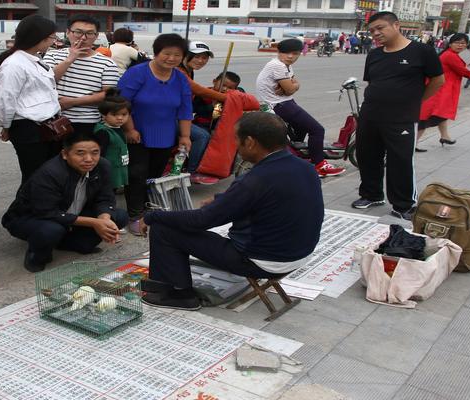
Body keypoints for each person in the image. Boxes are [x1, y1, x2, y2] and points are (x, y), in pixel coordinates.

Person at [136, 112, 324, 310]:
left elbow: (201, 220)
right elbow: (270, 198)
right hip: (300, 254)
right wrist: (220, 199)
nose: (235, 144)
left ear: (250, 142)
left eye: (236, 139)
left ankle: (179, 295)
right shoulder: (305, 167)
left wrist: (152, 215)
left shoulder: (255, 180)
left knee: (163, 228)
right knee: (179, 222)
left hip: (262, 261)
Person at [351, 12, 444, 221]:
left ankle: (404, 204)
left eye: (380, 28)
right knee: (367, 157)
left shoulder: (422, 51)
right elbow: (372, 83)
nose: (376, 33)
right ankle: (371, 195)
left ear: (396, 25)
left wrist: (415, 100)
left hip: (401, 118)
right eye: (372, 30)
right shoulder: (374, 55)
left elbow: (438, 80)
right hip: (370, 114)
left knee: (399, 161)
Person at [1, 132, 128, 272]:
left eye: (95, 153)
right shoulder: (50, 173)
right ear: (65, 154)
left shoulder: (102, 165)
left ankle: (74, 244)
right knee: (51, 230)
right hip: (29, 217)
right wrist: (94, 223)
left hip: (70, 212)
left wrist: (104, 219)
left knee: (118, 216)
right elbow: (47, 212)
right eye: (80, 153)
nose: (89, 159)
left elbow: (105, 197)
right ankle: (36, 255)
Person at [118, 33, 192, 235]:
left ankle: (151, 212)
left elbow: (185, 108)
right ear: (156, 53)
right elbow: (123, 103)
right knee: (137, 174)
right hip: (137, 132)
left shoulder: (180, 78)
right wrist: (130, 129)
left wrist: (184, 136)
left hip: (165, 134)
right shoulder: (137, 73)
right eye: (166, 53)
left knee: (155, 175)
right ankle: (135, 215)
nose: (171, 58)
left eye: (177, 55)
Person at [256, 38, 345, 177]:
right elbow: (291, 88)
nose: (291, 57)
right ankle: (319, 165)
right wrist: (292, 86)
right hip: (279, 105)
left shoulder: (285, 65)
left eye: (295, 53)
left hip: (285, 101)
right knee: (317, 129)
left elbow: (293, 85)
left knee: (301, 127)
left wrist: (292, 86)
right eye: (286, 53)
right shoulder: (277, 65)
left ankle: (296, 156)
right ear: (279, 52)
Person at [0, 15, 61, 185]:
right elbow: (4, 100)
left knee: (46, 175)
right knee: (35, 177)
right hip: (29, 128)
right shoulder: (14, 64)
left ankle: (41, 209)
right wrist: (6, 126)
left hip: (46, 126)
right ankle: (25, 211)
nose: (53, 41)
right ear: (40, 38)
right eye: (52, 37)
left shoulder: (34, 59)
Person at [42, 14, 120, 135]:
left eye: (89, 33)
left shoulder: (107, 63)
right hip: (53, 121)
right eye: (78, 32)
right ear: (68, 32)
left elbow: (108, 95)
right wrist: (70, 59)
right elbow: (45, 82)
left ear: (96, 36)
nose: (83, 38)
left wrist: (72, 102)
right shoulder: (52, 55)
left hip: (88, 122)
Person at [416, 34, 470, 152]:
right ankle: (412, 144)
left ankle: (444, 136)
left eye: (463, 43)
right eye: (457, 42)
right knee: (429, 117)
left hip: (443, 90)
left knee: (441, 114)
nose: (460, 45)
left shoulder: (448, 54)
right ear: (450, 43)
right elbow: (462, 70)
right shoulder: (449, 55)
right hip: (440, 91)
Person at [177, 41, 228, 185]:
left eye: (204, 57)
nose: (201, 61)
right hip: (169, 116)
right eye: (197, 56)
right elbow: (196, 89)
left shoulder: (188, 69)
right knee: (202, 136)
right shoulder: (179, 70)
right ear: (187, 55)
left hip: (180, 113)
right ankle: (192, 173)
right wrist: (225, 97)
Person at [94, 88, 130, 190]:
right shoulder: (103, 132)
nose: (120, 118)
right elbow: (100, 155)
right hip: (107, 174)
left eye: (124, 114)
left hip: (117, 172)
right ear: (104, 115)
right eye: (114, 114)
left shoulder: (118, 129)